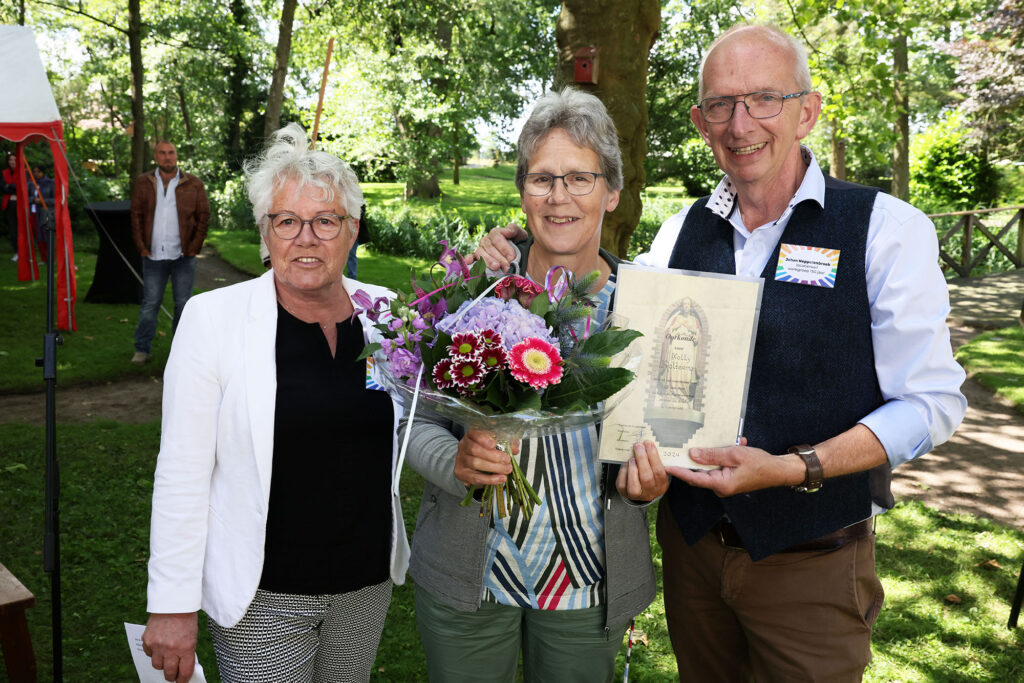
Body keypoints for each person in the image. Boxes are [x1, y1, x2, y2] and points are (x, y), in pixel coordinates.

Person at [476, 24, 967, 681]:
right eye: (720, 105)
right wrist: (510, 261)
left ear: (808, 110)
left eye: (763, 97)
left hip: (811, 561)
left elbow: (931, 403)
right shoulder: (679, 234)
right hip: (693, 557)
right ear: (700, 122)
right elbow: (597, 312)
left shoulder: (886, 229)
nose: (741, 124)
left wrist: (796, 466)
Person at [400, 87, 666, 683]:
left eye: (580, 178)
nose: (559, 197)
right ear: (522, 192)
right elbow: (412, 418)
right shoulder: (474, 293)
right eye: (542, 179)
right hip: (472, 574)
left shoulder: (649, 309)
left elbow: (673, 429)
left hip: (587, 580)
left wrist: (649, 485)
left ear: (613, 192)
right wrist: (457, 462)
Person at [141, 123, 410, 682]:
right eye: (286, 221)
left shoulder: (388, 315)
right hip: (263, 594)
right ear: (266, 233)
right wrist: (171, 602)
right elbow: (182, 472)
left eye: (325, 221)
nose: (305, 238)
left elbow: (422, 425)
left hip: (364, 586)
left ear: (352, 230)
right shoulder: (213, 320)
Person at [129, 140, 210, 364]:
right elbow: (135, 216)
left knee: (183, 304)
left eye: (171, 153)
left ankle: (181, 351)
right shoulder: (144, 182)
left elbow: (203, 216)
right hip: (153, 255)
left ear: (176, 155)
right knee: (150, 304)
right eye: (162, 153)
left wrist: (194, 248)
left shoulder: (193, 184)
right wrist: (142, 247)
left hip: (182, 256)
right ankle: (141, 349)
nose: (167, 157)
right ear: (156, 156)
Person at [3, 152, 22, 260]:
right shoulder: (4, 173)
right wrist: (13, 187)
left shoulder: (23, 172)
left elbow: (22, 187)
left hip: (20, 203)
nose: (13, 162)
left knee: (22, 228)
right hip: (9, 204)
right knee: (13, 229)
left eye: (15, 160)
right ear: (8, 161)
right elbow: (3, 188)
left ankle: (24, 251)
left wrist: (9, 185)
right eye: (11, 160)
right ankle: (16, 252)